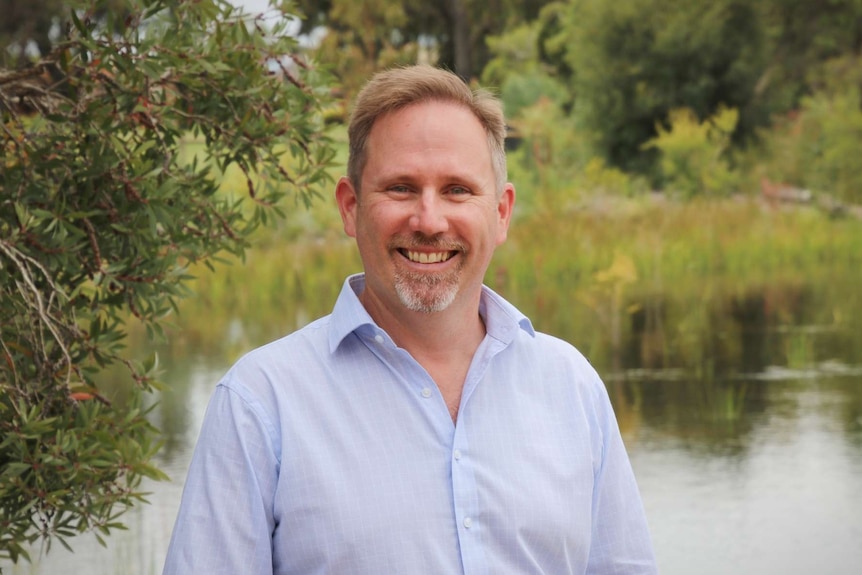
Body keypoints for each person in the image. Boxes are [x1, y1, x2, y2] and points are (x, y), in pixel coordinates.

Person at [163, 65, 657, 574]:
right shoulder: (259, 404)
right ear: (351, 207)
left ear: (502, 212)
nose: (429, 220)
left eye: (458, 190)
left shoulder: (572, 388)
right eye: (400, 188)